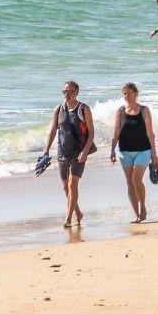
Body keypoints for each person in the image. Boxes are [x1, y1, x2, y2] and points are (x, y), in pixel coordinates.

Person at [43, 81, 94, 229]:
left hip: (78, 153)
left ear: (77, 92)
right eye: (64, 91)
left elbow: (91, 133)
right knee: (65, 187)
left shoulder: (83, 109)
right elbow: (53, 130)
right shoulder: (58, 109)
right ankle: (78, 212)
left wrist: (85, 152)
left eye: (70, 91)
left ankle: (68, 218)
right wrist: (46, 150)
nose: (67, 94)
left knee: (73, 184)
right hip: (62, 153)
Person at [109, 83, 158, 223]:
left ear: (136, 94)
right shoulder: (120, 111)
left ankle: (142, 206)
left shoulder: (144, 110)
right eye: (124, 93)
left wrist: (154, 155)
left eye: (129, 93)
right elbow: (116, 132)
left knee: (136, 180)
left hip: (143, 150)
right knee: (129, 183)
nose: (126, 96)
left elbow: (150, 134)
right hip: (125, 151)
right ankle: (136, 214)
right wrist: (112, 149)